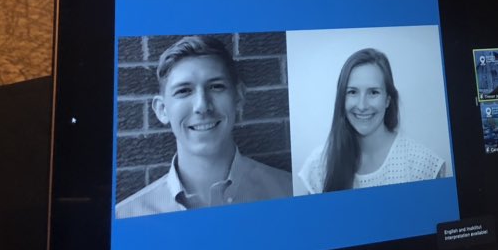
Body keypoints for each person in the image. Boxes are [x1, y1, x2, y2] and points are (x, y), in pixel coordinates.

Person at [115, 36, 293, 218]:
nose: (202, 106)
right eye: (184, 91)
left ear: (238, 97)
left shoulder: (289, 192)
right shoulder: (126, 216)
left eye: (216, 87)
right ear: (162, 110)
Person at [298, 48, 446, 193]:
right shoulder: (317, 167)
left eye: (373, 92)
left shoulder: (424, 166)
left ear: (388, 100)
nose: (362, 106)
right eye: (352, 92)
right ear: (342, 99)